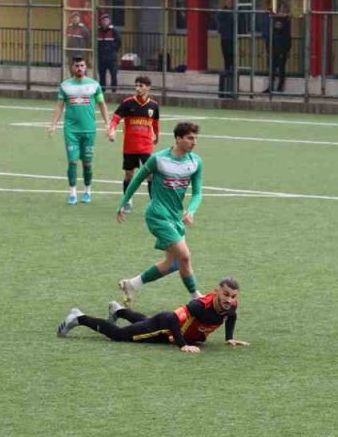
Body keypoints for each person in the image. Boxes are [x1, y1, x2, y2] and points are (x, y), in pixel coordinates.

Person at [115, 121, 204, 305]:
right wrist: (123, 203)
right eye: (189, 138)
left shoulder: (195, 162)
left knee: (174, 264)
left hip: (175, 217)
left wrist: (191, 210)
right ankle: (197, 297)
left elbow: (197, 192)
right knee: (185, 256)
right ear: (178, 139)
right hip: (157, 215)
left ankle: (132, 284)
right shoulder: (159, 159)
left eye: (196, 138)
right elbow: (137, 179)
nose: (194, 142)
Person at [57, 277, 249, 354]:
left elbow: (231, 316)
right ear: (216, 292)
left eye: (233, 296)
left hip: (170, 328)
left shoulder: (231, 305)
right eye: (225, 295)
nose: (229, 300)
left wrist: (229, 338)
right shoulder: (199, 305)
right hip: (164, 327)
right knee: (119, 335)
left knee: (143, 322)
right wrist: (183, 345)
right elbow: (173, 319)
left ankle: (118, 311)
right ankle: (78, 317)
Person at [47, 56, 109, 205]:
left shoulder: (94, 85)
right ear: (72, 67)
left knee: (87, 163)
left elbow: (102, 104)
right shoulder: (65, 86)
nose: (79, 68)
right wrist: (53, 124)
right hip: (71, 131)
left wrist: (108, 123)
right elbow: (59, 106)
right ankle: (73, 192)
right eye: (77, 66)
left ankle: (87, 191)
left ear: (86, 67)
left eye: (82, 65)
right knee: (72, 161)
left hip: (89, 130)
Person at [106, 75, 160, 205]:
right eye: (136, 86)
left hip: (146, 146)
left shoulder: (154, 105)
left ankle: (153, 203)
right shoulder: (128, 103)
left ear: (148, 88)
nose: (138, 88)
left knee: (150, 174)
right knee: (129, 174)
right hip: (130, 146)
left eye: (141, 86)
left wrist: (157, 136)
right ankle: (127, 199)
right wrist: (112, 130)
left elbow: (155, 123)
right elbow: (116, 118)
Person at [266, 1, 292, 94]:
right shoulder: (276, 19)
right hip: (274, 46)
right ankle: (271, 86)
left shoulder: (286, 20)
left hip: (283, 47)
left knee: (281, 67)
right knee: (272, 67)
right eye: (280, 9)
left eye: (283, 10)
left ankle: (280, 87)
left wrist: (287, 48)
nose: (281, 12)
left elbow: (281, 28)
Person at [96, 13, 120, 92]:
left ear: (109, 21)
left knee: (113, 74)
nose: (105, 22)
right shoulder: (98, 31)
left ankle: (114, 90)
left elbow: (118, 42)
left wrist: (113, 51)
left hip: (112, 58)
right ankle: (102, 90)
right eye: (103, 20)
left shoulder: (114, 31)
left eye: (106, 20)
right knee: (102, 75)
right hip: (101, 57)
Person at [217, 0, 236, 73]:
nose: (229, 3)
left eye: (230, 2)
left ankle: (231, 69)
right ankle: (227, 68)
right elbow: (219, 22)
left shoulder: (234, 12)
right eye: (228, 2)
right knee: (225, 54)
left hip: (232, 37)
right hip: (225, 37)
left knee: (231, 54)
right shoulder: (222, 12)